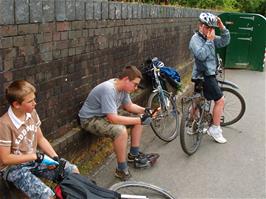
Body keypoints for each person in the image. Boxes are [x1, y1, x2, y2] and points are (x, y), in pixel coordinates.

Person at [0, 80, 79, 199]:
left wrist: (55, 158)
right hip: (13, 168)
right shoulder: (4, 124)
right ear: (16, 104)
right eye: (30, 101)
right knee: (47, 195)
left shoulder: (31, 113)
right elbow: (5, 159)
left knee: (71, 171)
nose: (35, 103)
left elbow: (41, 139)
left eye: (34, 99)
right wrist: (35, 156)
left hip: (34, 160)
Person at [78, 65, 159, 181]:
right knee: (121, 131)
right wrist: (140, 119)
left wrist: (146, 111)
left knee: (139, 118)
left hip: (105, 115)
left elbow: (129, 106)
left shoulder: (124, 88)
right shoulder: (109, 89)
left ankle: (133, 155)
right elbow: (113, 119)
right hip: (90, 119)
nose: (136, 88)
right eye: (135, 84)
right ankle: (121, 170)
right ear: (126, 79)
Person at [189, 12, 230, 144]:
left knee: (198, 101)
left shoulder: (209, 37)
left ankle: (193, 124)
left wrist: (222, 27)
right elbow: (201, 56)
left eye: (212, 28)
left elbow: (224, 41)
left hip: (207, 74)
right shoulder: (195, 39)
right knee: (220, 100)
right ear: (200, 25)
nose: (210, 30)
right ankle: (215, 129)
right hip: (204, 76)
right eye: (207, 27)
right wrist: (209, 41)